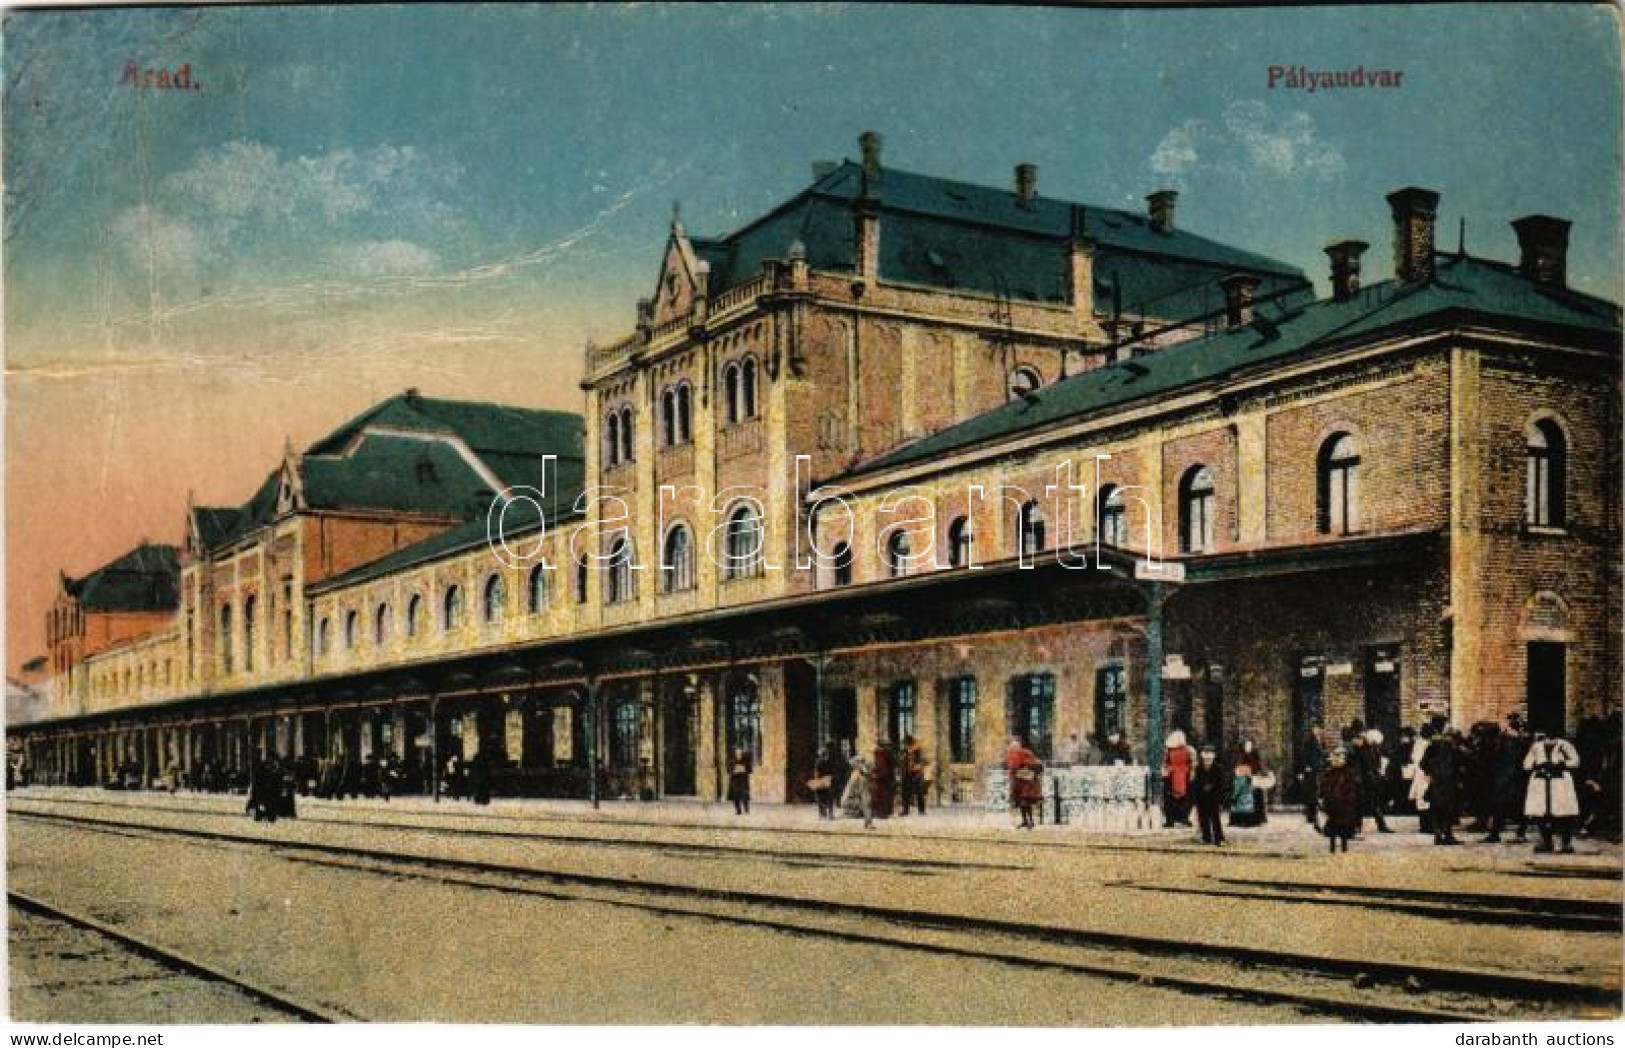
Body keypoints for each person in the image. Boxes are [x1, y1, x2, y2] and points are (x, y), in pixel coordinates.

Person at [1523, 730, 1581, 854]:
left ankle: (1566, 844)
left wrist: (1561, 764)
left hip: (1560, 783)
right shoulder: (1536, 746)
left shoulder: (1564, 745)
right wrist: (1539, 767)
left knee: (1563, 813)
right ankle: (1546, 843)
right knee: (1541, 814)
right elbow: (1527, 764)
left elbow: (1575, 761)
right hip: (1541, 782)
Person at [1483, 718, 1529, 844]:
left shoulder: (1505, 742)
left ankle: (1496, 833)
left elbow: (1493, 757)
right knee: (1516, 806)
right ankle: (1519, 832)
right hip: (1515, 777)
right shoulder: (1521, 742)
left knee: (1501, 805)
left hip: (1505, 777)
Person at [1420, 727, 1463, 845]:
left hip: (1438, 782)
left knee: (1437, 809)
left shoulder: (1433, 747)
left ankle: (1439, 835)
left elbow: (1423, 764)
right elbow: (1458, 765)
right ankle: (1446, 835)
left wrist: (1430, 774)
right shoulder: (1452, 749)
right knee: (1447, 810)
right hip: (1447, 783)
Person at [1318, 747, 1361, 852]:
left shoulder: (1349, 773)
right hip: (1331, 805)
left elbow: (1353, 789)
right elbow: (1323, 787)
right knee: (1332, 829)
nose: (1336, 760)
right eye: (1334, 758)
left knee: (1343, 829)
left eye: (1339, 757)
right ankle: (1332, 848)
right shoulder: (1328, 773)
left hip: (1345, 806)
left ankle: (1344, 848)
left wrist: (1348, 799)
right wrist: (1322, 797)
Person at [1353, 729, 1392, 833]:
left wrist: (1378, 771)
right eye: (1373, 742)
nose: (1374, 744)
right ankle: (1357, 827)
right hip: (1364, 780)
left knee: (1374, 803)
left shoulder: (1372, 748)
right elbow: (1358, 765)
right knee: (1360, 804)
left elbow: (1375, 761)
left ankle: (1381, 826)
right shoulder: (1360, 747)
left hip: (1372, 779)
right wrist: (1358, 778)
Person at [1192, 745, 1228, 846]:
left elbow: (1221, 783)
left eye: (1209, 758)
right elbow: (1196, 783)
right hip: (1201, 797)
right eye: (1205, 757)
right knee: (1203, 818)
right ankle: (1206, 837)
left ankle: (1218, 838)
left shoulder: (1218, 768)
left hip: (1214, 797)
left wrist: (1212, 787)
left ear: (1213, 757)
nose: (1207, 760)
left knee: (1215, 818)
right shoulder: (1198, 768)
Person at [1229, 739, 1268, 827]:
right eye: (1246, 746)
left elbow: (1258, 767)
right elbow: (1238, 767)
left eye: (1249, 746)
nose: (1247, 747)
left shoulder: (1255, 756)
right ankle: (1238, 820)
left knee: (1255, 799)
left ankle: (1255, 820)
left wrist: (1253, 774)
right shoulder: (1241, 756)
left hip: (1253, 780)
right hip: (1242, 780)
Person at [1161, 729, 1195, 828]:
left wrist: (1192, 774)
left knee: (1186, 798)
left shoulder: (1189, 750)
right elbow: (1165, 762)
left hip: (1185, 775)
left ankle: (1183, 818)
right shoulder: (1168, 750)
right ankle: (1170, 819)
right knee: (1170, 798)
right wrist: (1165, 772)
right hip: (1171, 775)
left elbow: (1193, 762)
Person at [1006, 737, 1043, 829]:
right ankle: (1025, 821)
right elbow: (1011, 769)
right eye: (1012, 746)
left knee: (1025, 802)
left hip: (1027, 783)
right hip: (1018, 783)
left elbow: (1034, 764)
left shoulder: (1026, 753)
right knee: (1020, 803)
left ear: (1019, 745)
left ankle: (1030, 821)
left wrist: (1025, 766)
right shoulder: (1011, 755)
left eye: (1015, 745)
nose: (1013, 747)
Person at [1409, 723, 1435, 833]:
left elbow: (1413, 758)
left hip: (1419, 773)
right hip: (1424, 773)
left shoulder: (1418, 743)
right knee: (1425, 799)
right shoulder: (1426, 744)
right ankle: (1427, 826)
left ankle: (1424, 825)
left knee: (1421, 799)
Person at [1298, 727, 1326, 830]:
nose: (1318, 731)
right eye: (1317, 730)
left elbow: (1320, 754)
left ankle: (1313, 815)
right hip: (1311, 771)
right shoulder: (1309, 741)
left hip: (1317, 769)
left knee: (1315, 793)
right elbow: (1304, 755)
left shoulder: (1320, 741)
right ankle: (1311, 816)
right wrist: (1306, 766)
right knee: (1312, 793)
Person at [841, 752, 876, 829]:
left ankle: (868, 822)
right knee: (866, 804)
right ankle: (868, 822)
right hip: (858, 795)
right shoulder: (857, 774)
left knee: (867, 804)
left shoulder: (856, 773)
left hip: (858, 794)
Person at [899, 735, 928, 816]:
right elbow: (903, 762)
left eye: (905, 743)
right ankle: (905, 810)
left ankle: (921, 810)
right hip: (907, 774)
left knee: (919, 793)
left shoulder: (917, 750)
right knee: (905, 793)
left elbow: (921, 762)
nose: (904, 745)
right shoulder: (905, 751)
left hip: (916, 773)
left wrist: (916, 768)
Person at [810, 745, 839, 819]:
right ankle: (830, 814)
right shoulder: (828, 761)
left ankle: (823, 814)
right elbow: (832, 771)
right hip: (827, 780)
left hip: (821, 781)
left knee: (821, 799)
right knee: (829, 799)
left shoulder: (818, 761)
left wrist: (816, 780)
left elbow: (816, 773)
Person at [871, 740, 896, 818]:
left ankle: (883, 811)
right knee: (884, 794)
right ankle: (884, 811)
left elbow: (880, 765)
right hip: (885, 776)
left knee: (882, 794)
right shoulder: (885, 753)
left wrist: (876, 773)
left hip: (883, 776)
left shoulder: (880, 753)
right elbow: (889, 765)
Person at [727, 748, 752, 815]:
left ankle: (746, 810)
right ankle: (738, 810)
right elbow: (728, 770)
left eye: (740, 753)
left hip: (743, 780)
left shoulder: (745, 760)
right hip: (735, 780)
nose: (738, 755)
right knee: (735, 796)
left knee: (744, 795)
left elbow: (750, 770)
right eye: (737, 753)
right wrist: (734, 770)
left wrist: (744, 769)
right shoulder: (731, 760)